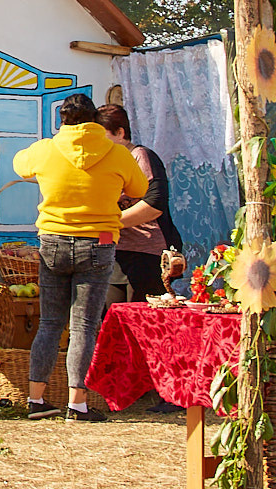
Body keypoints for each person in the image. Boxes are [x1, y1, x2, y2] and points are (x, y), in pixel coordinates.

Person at [12, 93, 148, 422]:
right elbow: (141, 189)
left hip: (53, 242)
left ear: (62, 121)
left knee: (49, 324)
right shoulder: (115, 153)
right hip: (98, 243)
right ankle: (77, 404)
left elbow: (19, 164)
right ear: (95, 123)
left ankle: (36, 400)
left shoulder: (46, 148)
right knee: (84, 326)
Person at [96, 105, 176, 303]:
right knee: (113, 317)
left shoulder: (140, 156)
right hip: (115, 253)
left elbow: (155, 204)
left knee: (141, 318)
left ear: (120, 133)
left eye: (102, 136)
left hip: (145, 253)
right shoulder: (105, 163)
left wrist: (112, 222)